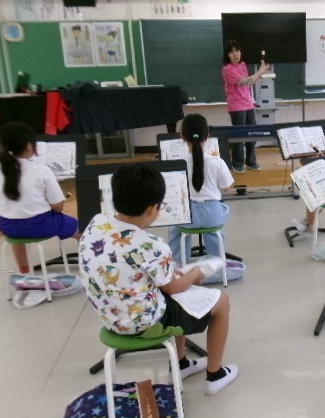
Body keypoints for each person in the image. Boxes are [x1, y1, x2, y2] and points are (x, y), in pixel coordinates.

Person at [78, 163, 238, 395]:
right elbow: (174, 289)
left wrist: (176, 276)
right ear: (153, 209)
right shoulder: (151, 245)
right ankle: (215, 375)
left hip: (111, 317)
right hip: (145, 324)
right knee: (221, 301)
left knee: (181, 291)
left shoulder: (96, 224)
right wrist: (196, 272)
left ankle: (181, 364)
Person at [0, 122, 80, 273]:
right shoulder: (41, 170)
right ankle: (91, 262)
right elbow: (58, 207)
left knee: (18, 229)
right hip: (41, 226)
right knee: (83, 229)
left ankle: (24, 271)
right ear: (29, 146)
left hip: (8, 227)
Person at [167, 113, 234, 264]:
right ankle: (216, 260)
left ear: (182, 136)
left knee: (174, 226)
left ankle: (177, 262)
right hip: (212, 215)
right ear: (207, 136)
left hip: (187, 216)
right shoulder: (217, 162)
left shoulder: (177, 163)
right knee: (220, 213)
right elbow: (227, 188)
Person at [222, 39, 271, 173]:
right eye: (232, 52)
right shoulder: (227, 69)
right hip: (237, 106)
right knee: (239, 136)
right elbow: (244, 82)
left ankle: (251, 161)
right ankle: (237, 163)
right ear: (227, 55)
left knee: (252, 134)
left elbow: (250, 83)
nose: (236, 54)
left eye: (237, 50)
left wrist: (259, 74)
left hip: (249, 104)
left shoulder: (242, 65)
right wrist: (260, 72)